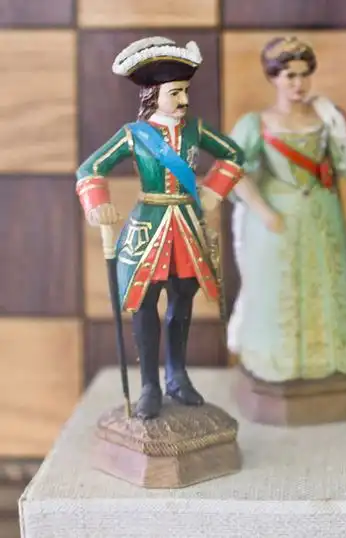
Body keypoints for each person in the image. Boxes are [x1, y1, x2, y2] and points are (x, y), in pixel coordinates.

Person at [75, 36, 245, 419]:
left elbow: (234, 154)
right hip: (147, 229)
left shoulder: (195, 129)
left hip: (187, 228)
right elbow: (90, 169)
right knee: (144, 306)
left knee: (183, 302)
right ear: (153, 95)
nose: (184, 100)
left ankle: (177, 377)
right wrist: (98, 204)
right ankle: (150, 385)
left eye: (185, 91)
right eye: (175, 92)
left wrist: (213, 192)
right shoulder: (134, 135)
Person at [226, 36, 346, 384]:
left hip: (322, 215)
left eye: (304, 75)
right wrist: (263, 211)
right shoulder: (256, 123)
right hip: (278, 220)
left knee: (324, 285)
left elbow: (344, 170)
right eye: (289, 76)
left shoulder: (326, 119)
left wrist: (345, 217)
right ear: (273, 78)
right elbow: (231, 172)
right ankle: (278, 365)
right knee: (278, 290)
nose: (298, 84)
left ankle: (325, 363)